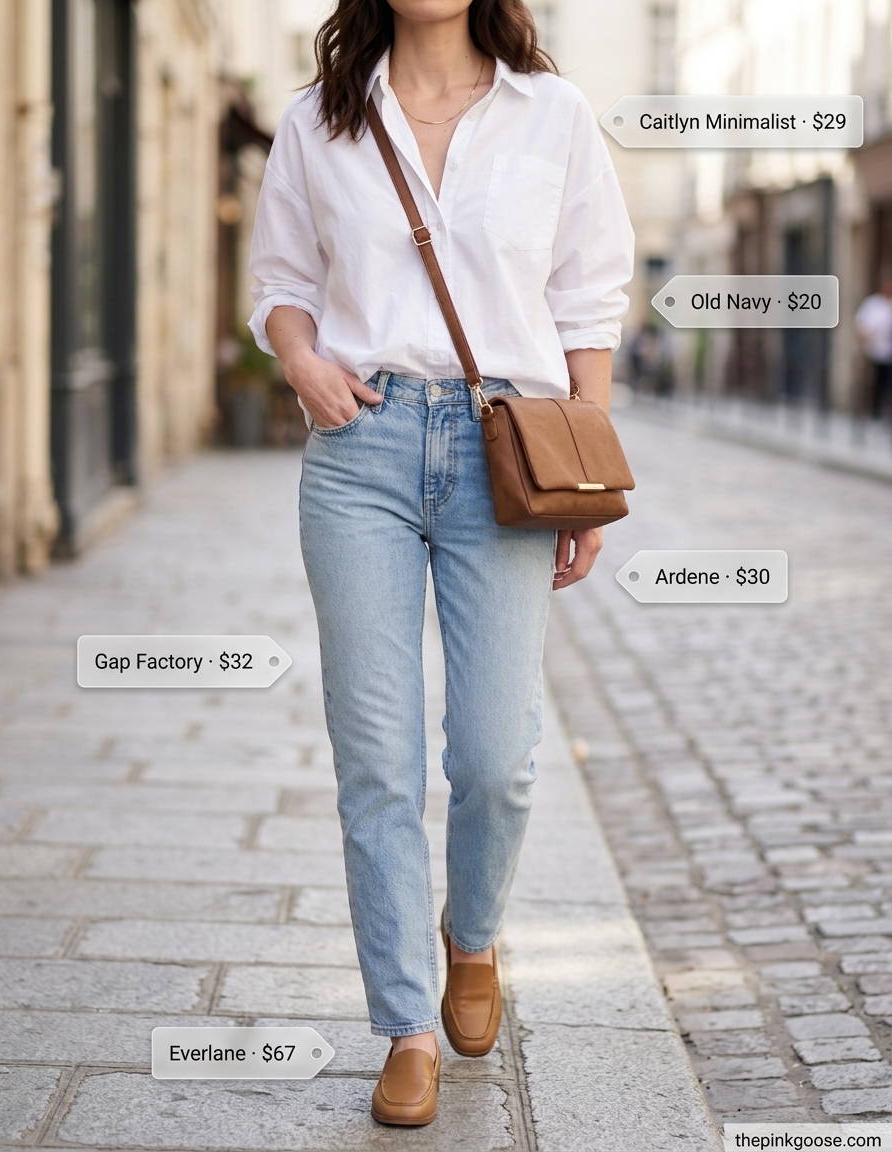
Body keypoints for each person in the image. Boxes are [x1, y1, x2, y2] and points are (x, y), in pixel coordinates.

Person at [248, 0, 633, 1126]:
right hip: (357, 447)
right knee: (375, 760)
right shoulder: (316, 120)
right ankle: (405, 1027)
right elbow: (279, 283)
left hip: (505, 447)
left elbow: (586, 292)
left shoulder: (549, 113)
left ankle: (474, 936)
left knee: (497, 756)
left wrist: (585, 458)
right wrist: (302, 363)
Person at [855, 279, 892, 419]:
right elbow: (862, 326)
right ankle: (873, 411)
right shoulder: (873, 304)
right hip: (874, 350)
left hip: (888, 351)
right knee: (876, 381)